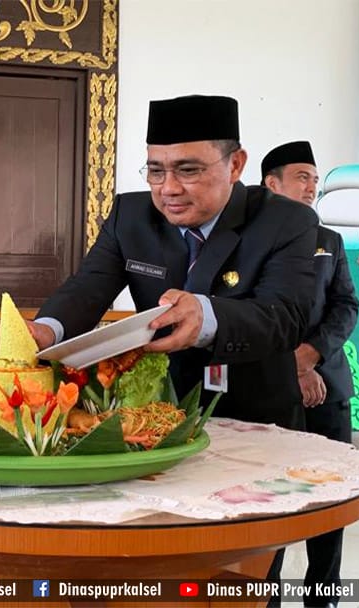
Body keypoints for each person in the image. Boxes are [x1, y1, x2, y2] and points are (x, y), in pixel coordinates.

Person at [20, 95, 319, 430]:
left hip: (256, 419)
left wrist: (206, 316)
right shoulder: (130, 217)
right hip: (156, 415)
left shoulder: (285, 220)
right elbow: (87, 288)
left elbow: (286, 317)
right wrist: (46, 329)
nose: (169, 189)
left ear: (235, 165)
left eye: (188, 170)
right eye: (156, 171)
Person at [261, 140, 358, 608]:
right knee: (269, 503)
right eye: (302, 177)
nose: (311, 187)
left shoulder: (329, 241)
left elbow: (346, 306)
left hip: (327, 387)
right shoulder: (246, 243)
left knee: (329, 500)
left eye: (315, 180)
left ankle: (324, 598)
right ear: (271, 184)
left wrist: (311, 356)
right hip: (268, 391)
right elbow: (247, 316)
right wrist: (290, 367)